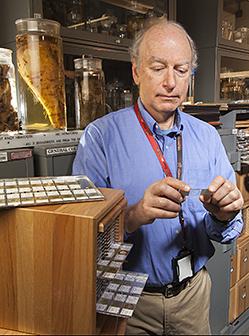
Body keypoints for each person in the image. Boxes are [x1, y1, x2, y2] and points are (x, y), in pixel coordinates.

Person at [73, 17, 244, 335]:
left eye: (181, 70)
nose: (171, 82)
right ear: (137, 71)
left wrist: (223, 216)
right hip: (129, 300)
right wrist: (134, 215)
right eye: (158, 67)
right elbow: (81, 241)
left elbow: (229, 231)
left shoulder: (207, 136)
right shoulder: (100, 138)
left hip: (193, 295)